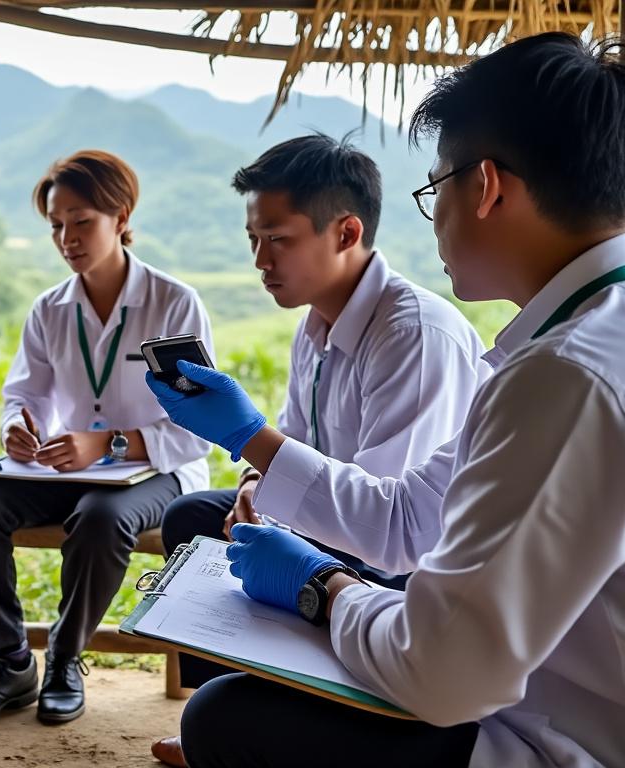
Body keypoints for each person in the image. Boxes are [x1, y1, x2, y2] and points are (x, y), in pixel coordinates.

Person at [148, 32, 625, 768]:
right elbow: (413, 515)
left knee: (229, 720)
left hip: (561, 740)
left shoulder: (564, 376)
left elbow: (443, 672)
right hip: (540, 683)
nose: (434, 217)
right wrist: (261, 460)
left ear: (485, 187)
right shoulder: (602, 333)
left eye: (434, 189)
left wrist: (322, 587)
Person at [150, 135, 486, 765]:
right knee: (195, 516)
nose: (260, 259)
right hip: (347, 518)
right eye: (254, 239)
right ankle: (242, 683)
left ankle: (289, 700)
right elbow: (296, 437)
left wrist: (250, 443)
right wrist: (255, 486)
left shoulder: (411, 333)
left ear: (345, 231)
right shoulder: (317, 322)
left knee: (244, 548)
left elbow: (385, 521)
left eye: (278, 239)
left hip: (401, 556)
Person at [0, 149, 214, 726]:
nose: (67, 238)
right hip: (67, 467)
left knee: (100, 518)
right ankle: (11, 659)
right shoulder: (50, 309)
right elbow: (25, 394)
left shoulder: (173, 303)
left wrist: (109, 443)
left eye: (82, 221)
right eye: (57, 226)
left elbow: (195, 427)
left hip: (158, 472)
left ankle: (65, 655)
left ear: (121, 215)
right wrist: (19, 426)